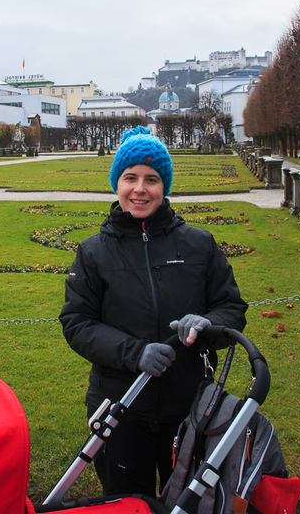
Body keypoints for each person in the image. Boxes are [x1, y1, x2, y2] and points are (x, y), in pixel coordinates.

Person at [59, 126, 247, 498]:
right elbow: (77, 323)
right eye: (130, 177)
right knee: (129, 501)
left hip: (190, 405)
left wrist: (208, 326)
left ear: (165, 186)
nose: (140, 189)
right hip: (120, 405)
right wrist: (135, 352)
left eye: (152, 179)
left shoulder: (199, 243)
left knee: (189, 502)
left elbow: (231, 307)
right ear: (117, 183)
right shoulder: (94, 251)